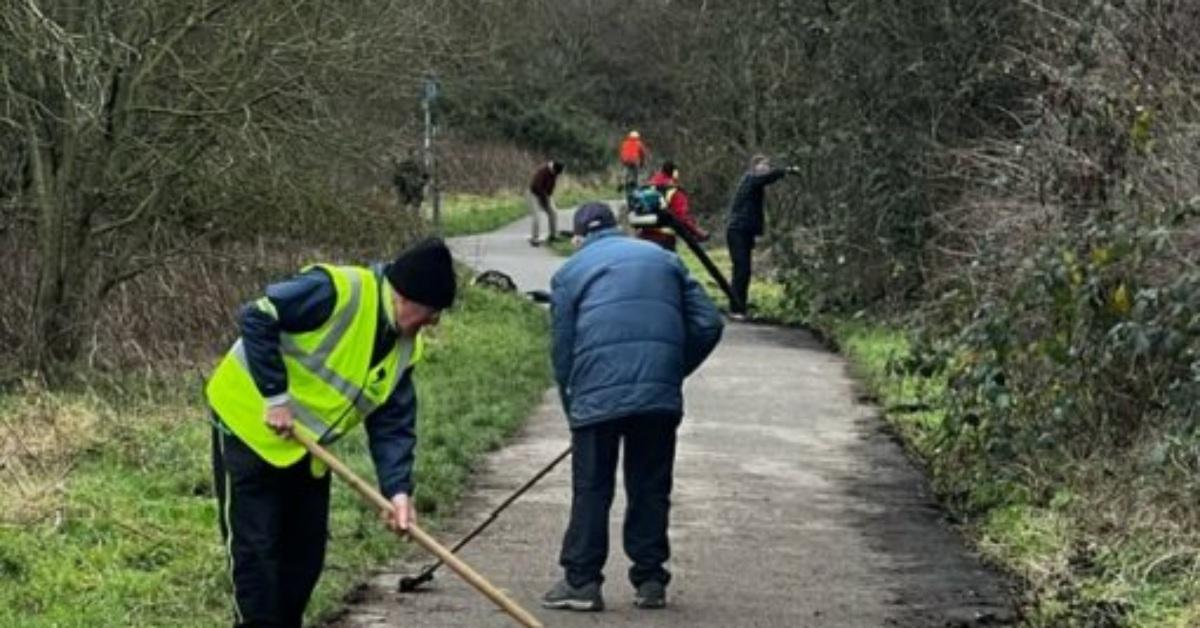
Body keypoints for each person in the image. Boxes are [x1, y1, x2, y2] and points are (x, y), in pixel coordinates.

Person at [205, 237, 456, 628]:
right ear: (405, 296)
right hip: (247, 427)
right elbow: (258, 314)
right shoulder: (338, 290)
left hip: (307, 449)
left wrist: (398, 491)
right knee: (257, 558)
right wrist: (275, 396)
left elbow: (393, 424)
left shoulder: (405, 347)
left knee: (303, 562)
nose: (431, 323)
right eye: (430, 312)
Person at [542, 203, 724, 612]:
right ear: (619, 228)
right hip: (657, 396)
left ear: (578, 239)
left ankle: (581, 581)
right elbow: (709, 323)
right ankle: (650, 580)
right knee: (650, 484)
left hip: (596, 393)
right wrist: (670, 369)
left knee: (593, 487)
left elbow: (562, 351)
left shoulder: (569, 272)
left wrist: (574, 407)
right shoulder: (664, 259)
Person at [725, 154, 798, 320]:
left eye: (768, 165)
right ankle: (736, 308)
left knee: (744, 270)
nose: (766, 168)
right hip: (738, 231)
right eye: (763, 165)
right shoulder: (751, 179)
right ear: (755, 167)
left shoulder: (754, 183)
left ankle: (739, 306)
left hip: (744, 232)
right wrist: (785, 171)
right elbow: (767, 178)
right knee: (741, 270)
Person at [633, 161, 708, 252]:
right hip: (664, 240)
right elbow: (683, 218)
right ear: (674, 173)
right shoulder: (673, 191)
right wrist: (698, 234)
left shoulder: (649, 187)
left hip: (642, 238)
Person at [528, 160, 565, 246]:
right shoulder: (542, 172)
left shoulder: (554, 173)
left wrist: (548, 197)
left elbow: (551, 187)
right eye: (557, 173)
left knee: (553, 213)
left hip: (545, 195)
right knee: (536, 216)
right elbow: (536, 186)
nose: (557, 175)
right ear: (553, 169)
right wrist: (545, 198)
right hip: (534, 195)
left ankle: (553, 235)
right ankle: (534, 238)